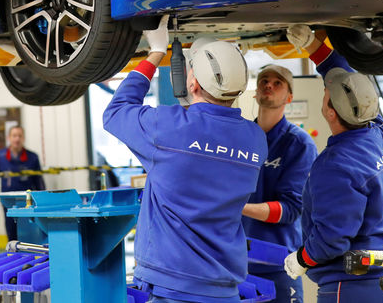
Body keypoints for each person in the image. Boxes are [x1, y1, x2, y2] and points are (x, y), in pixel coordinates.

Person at [103, 16, 267, 303]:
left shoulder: (168, 128)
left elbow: (116, 112)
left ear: (192, 83)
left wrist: (155, 53)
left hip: (172, 286)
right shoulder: (255, 139)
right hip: (224, 288)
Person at [282, 25, 383, 303]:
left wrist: (301, 259)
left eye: (326, 93)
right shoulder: (379, 131)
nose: (325, 90)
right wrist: (313, 46)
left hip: (351, 287)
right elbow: (345, 81)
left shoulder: (335, 166)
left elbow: (331, 240)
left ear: (330, 112)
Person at [242, 64, 317, 303]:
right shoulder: (240, 138)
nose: (269, 85)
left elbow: (291, 209)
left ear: (290, 97)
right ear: (255, 90)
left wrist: (237, 207)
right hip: (237, 265)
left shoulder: (299, 144)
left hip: (279, 265)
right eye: (264, 80)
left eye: (278, 83)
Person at [0, 124, 46, 242]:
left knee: (30, 231)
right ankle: (13, 254)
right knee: (11, 231)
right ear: (9, 138)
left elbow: (39, 181)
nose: (17, 139)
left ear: (23, 138)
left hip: (27, 202)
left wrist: (42, 201)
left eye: (20, 136)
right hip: (8, 202)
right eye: (14, 136)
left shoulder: (32, 158)